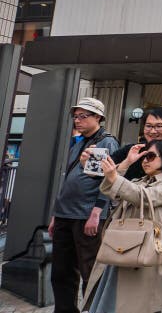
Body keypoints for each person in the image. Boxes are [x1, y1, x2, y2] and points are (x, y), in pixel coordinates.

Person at [83, 140, 162, 313]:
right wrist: (127, 162)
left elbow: (142, 196)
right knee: (116, 301)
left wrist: (115, 177)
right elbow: (108, 189)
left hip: (146, 251)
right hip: (121, 248)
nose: (145, 160)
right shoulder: (138, 180)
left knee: (140, 303)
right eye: (143, 157)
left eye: (150, 156)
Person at [49, 98, 120, 313]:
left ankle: (95, 310)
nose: (77, 121)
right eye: (76, 116)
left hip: (86, 215)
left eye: (83, 116)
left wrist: (97, 212)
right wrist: (55, 215)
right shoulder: (79, 142)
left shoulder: (107, 142)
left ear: (98, 117)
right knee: (61, 270)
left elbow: (109, 181)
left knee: (90, 270)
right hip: (65, 214)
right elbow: (69, 178)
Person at [98, 107, 162, 264]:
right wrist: (89, 162)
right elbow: (106, 178)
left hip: (157, 228)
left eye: (159, 126)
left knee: (149, 272)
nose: (153, 131)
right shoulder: (132, 151)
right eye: (148, 126)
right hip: (123, 224)